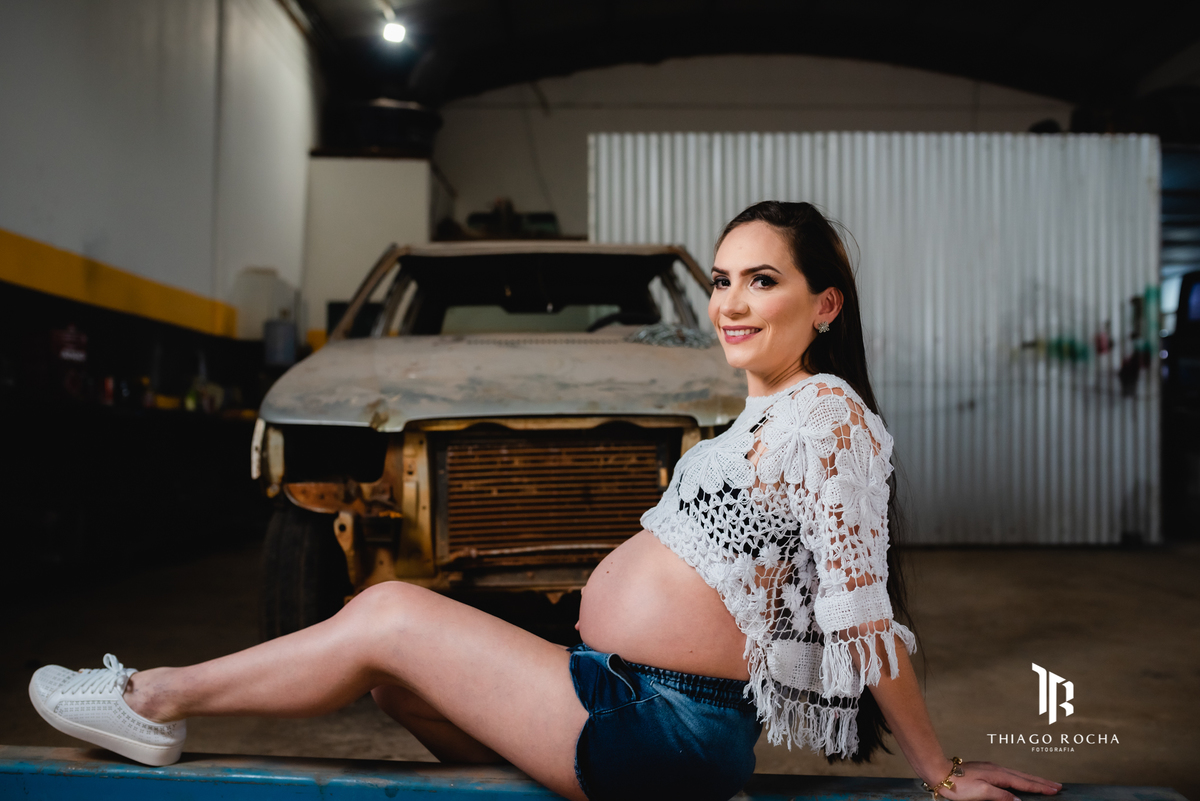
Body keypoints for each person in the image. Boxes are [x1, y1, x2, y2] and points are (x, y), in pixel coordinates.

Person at [29, 201, 1063, 801]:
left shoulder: (829, 417)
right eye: (721, 281)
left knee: (389, 615)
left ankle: (151, 699)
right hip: (619, 690)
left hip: (667, 721)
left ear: (824, 304)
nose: (730, 303)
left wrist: (939, 774)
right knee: (397, 684)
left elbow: (858, 608)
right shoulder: (765, 413)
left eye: (763, 281)